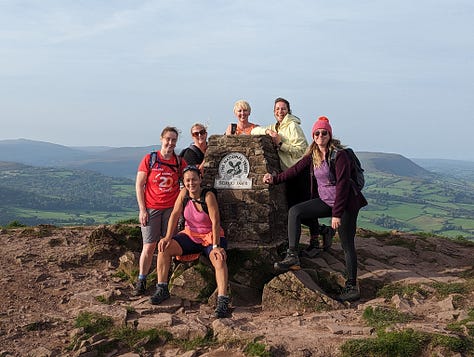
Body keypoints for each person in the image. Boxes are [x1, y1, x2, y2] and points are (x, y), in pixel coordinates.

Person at [263, 116, 368, 302]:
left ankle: (352, 286)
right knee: (295, 211)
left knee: (347, 244)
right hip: (326, 201)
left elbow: (343, 185)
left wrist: (337, 214)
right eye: (317, 133)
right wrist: (274, 179)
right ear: (313, 135)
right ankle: (292, 256)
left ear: (329, 134)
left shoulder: (339, 155)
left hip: (345, 204)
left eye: (324, 133)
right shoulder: (313, 154)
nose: (320, 136)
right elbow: (295, 170)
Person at [252, 97, 332, 254]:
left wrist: (280, 144)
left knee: (302, 207)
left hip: (300, 173)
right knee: (292, 209)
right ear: (274, 111)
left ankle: (315, 241)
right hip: (288, 174)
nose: (280, 111)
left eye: (283, 108)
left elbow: (302, 150)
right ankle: (323, 231)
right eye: (277, 109)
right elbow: (254, 131)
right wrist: (268, 132)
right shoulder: (276, 127)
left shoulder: (293, 126)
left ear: (288, 110)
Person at [150, 165, 230, 318]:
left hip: (210, 236)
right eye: (187, 180)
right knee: (163, 248)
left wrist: (216, 246)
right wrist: (167, 237)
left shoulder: (208, 196)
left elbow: (215, 221)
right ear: (184, 182)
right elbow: (174, 214)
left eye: (194, 179)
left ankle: (222, 300)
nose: (190, 183)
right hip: (191, 235)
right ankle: (162, 288)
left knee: (218, 259)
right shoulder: (184, 194)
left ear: (200, 179)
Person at [133, 126, 186, 296]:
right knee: (149, 246)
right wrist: (142, 209)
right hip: (152, 208)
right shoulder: (150, 159)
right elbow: (139, 184)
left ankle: (162, 282)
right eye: (168, 139)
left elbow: (188, 178)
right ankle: (142, 279)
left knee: (167, 244)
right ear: (162, 139)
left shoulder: (179, 162)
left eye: (174, 140)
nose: (170, 143)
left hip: (171, 210)